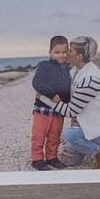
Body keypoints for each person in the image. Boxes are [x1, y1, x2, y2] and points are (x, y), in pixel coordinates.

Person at [57, 36, 100, 169]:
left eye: (70, 51)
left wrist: (45, 99)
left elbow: (71, 111)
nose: (66, 53)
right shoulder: (75, 71)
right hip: (90, 124)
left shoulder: (90, 79)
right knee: (69, 160)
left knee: (68, 136)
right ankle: (91, 144)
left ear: (79, 56)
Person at [29, 35, 71, 171]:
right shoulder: (44, 66)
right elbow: (37, 83)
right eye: (57, 52)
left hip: (59, 110)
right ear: (50, 52)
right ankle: (37, 159)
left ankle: (52, 157)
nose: (61, 55)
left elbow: (68, 88)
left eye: (64, 52)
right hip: (43, 109)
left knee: (55, 136)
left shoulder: (68, 69)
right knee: (39, 135)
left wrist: (67, 100)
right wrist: (51, 93)